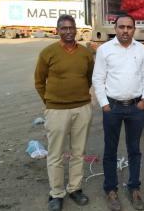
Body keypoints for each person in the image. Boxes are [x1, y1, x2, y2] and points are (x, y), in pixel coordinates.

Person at [34, 15, 94, 211]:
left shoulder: (85, 53)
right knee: (55, 154)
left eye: (71, 27)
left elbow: (89, 77)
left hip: (82, 108)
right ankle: (56, 193)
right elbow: (39, 81)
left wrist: (79, 95)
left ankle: (75, 188)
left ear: (76, 29)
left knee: (78, 152)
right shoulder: (48, 53)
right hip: (56, 110)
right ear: (57, 30)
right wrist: (50, 102)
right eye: (63, 28)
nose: (68, 31)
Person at [92, 14, 144, 211]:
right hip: (113, 107)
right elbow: (98, 79)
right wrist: (104, 104)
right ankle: (111, 190)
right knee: (110, 150)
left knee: (134, 150)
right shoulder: (104, 50)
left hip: (135, 108)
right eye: (121, 27)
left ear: (134, 29)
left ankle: (134, 189)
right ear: (114, 28)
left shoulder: (141, 49)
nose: (125, 30)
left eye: (129, 27)